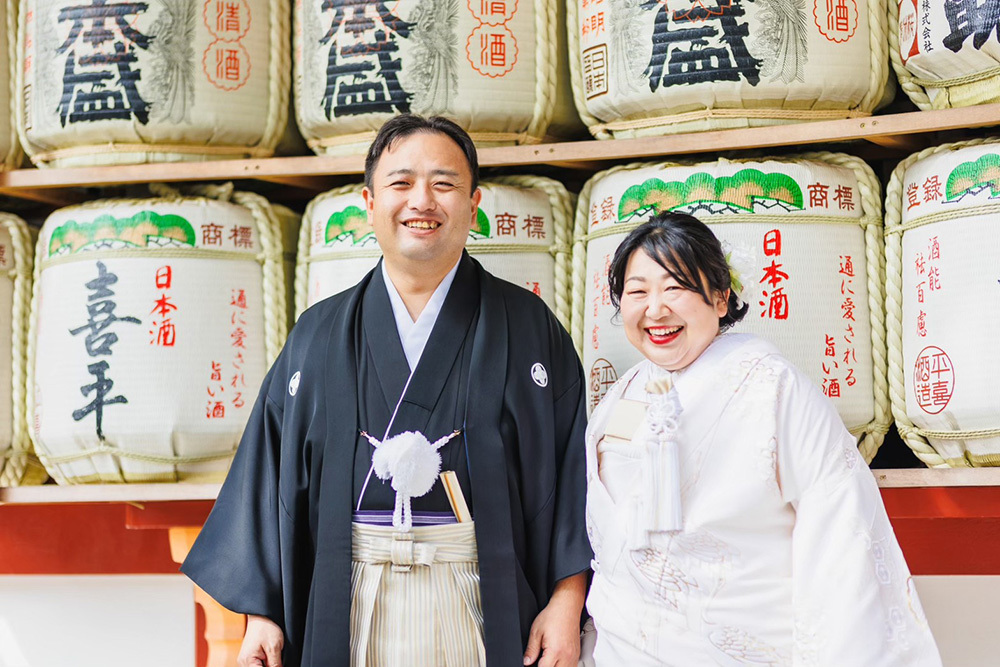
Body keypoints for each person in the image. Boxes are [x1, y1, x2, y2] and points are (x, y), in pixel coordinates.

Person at [182, 115, 591, 667]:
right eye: (401, 184)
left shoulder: (527, 326)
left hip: (484, 598)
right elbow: (270, 478)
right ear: (369, 203)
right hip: (348, 598)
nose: (422, 200)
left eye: (443, 184)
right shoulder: (318, 333)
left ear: (474, 206)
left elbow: (570, 479)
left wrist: (567, 604)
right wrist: (264, 614)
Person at [582, 212, 942, 665]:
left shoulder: (774, 389)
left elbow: (840, 541)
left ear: (719, 298)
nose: (655, 309)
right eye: (636, 292)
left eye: (675, 287)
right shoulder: (621, 397)